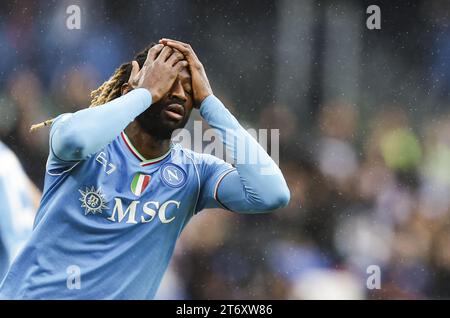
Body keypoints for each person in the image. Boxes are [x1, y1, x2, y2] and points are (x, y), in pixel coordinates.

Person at [0, 39, 290, 299]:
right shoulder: (82, 140)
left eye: (188, 88)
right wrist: (146, 94)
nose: (178, 94)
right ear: (131, 89)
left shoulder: (195, 173)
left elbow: (272, 194)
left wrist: (211, 105)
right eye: (166, 82)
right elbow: (74, 141)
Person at [0, 141, 40, 282]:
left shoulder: (5, 156)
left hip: (17, 267)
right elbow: (39, 203)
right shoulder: (6, 154)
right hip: (33, 259)